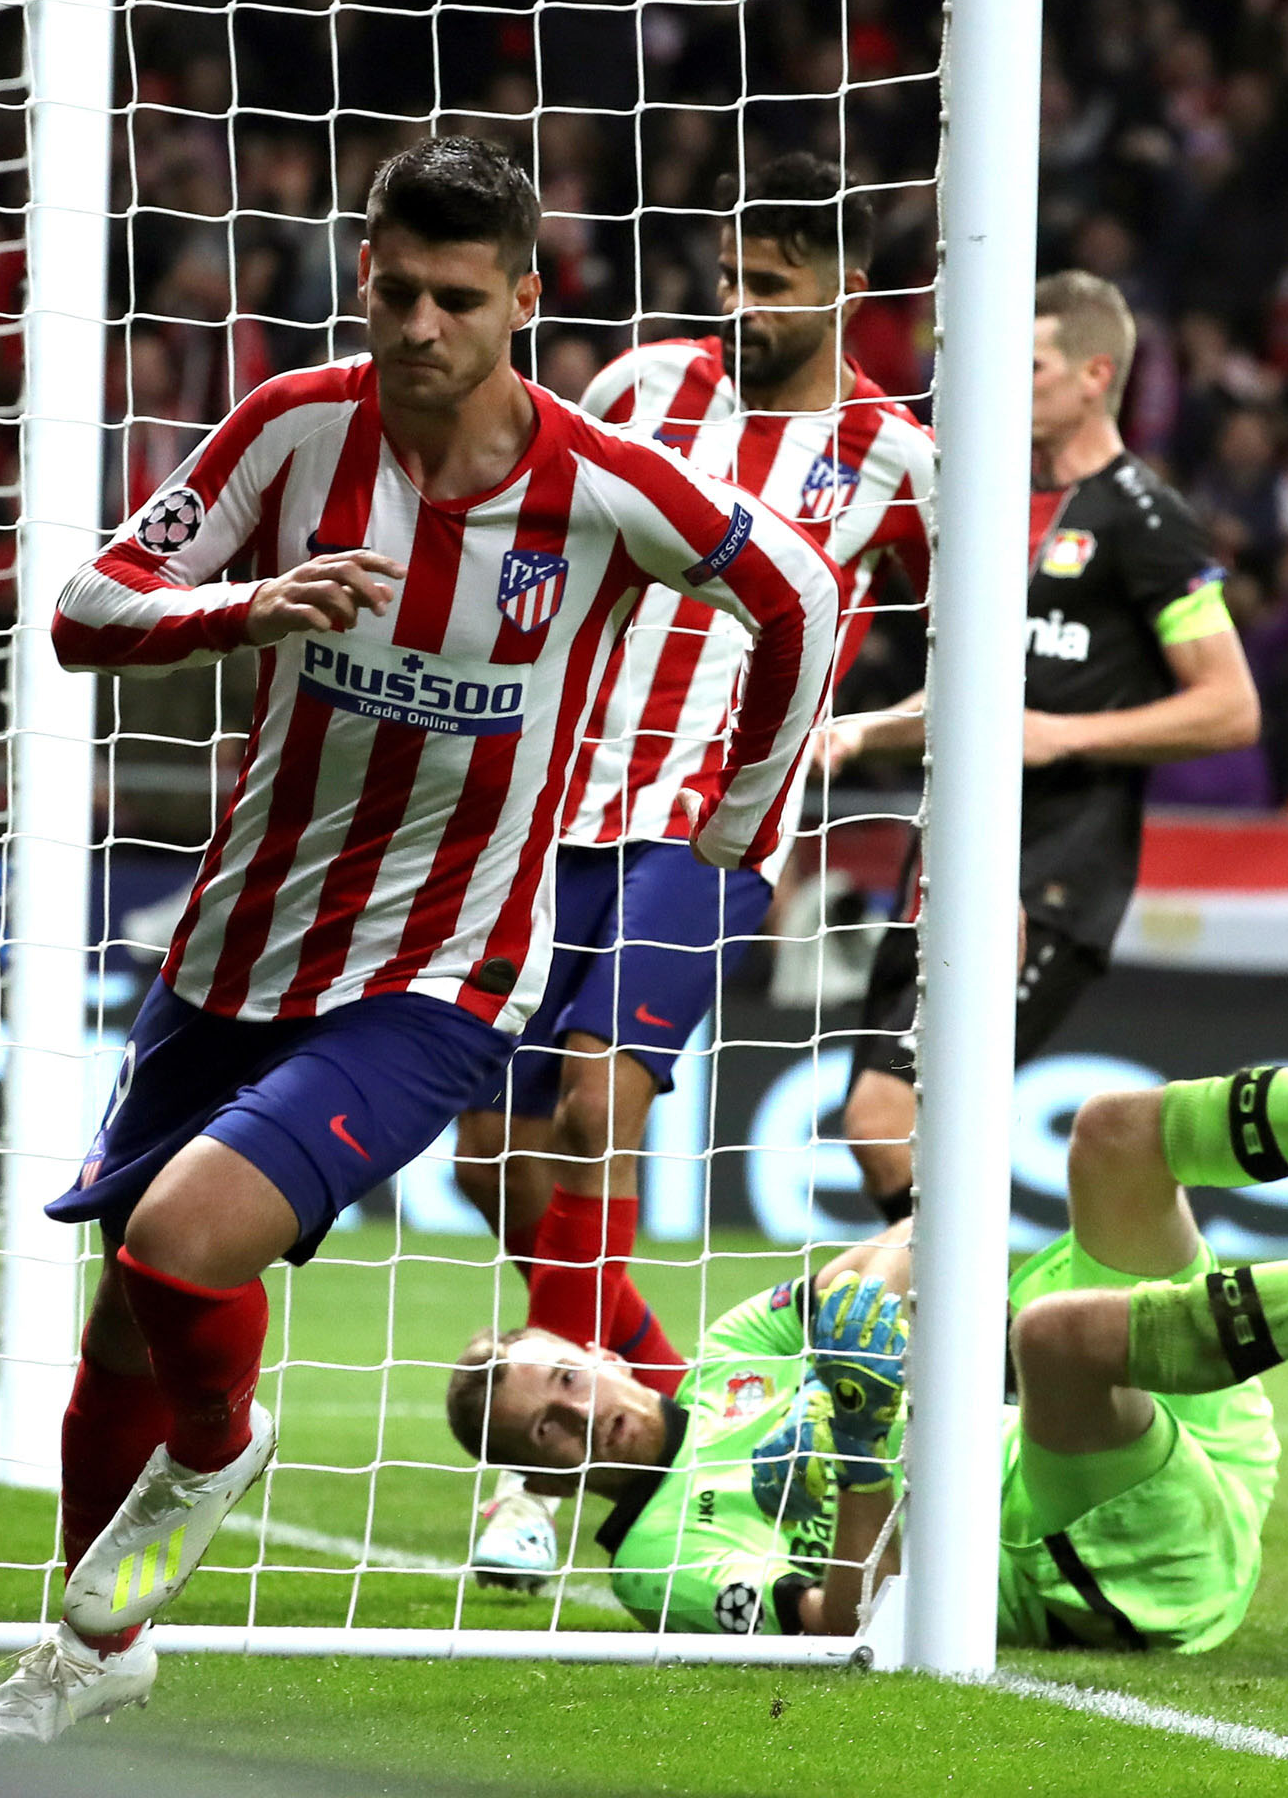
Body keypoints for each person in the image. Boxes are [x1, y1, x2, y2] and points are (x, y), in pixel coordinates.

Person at [0, 136, 841, 1745]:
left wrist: (741, 813)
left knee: (181, 1242)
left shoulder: (602, 484)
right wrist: (251, 607)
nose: (419, 327)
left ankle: (218, 1453)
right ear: (365, 276)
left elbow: (800, 597)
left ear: (523, 301)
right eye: (396, 292)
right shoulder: (293, 433)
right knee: (129, 1313)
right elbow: (85, 609)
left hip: (444, 972)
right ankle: (91, 1651)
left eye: (457, 300)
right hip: (238, 945)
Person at [446, 943, 1288, 1648]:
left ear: (587, 1351)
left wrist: (865, 1308)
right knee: (1054, 1334)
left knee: (1113, 1135)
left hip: (1174, 1427)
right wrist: (864, 1452)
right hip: (1096, 1556)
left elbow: (912, 1237)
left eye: (563, 1374)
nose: (577, 1408)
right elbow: (841, 1622)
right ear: (539, 1475)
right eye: (545, 1427)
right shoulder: (655, 1567)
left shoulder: (735, 1354)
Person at [447, 151, 939, 1592]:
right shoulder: (644, 388)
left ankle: (532, 1486)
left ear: (850, 287)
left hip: (717, 818)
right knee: (493, 1160)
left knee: (606, 1091)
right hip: (558, 800)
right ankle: (671, 1397)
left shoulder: (898, 456)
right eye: (732, 280)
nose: (742, 311)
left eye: (773, 288)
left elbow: (984, 632)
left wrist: (865, 728)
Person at [819, 271, 1263, 1224]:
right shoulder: (994, 510)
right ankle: (982, 1350)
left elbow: (1230, 707)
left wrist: (1064, 736)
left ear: (1095, 376)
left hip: (1051, 873)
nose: (1007, 384)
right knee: (872, 1118)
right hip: (941, 859)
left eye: (1030, 366)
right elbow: (981, 690)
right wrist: (864, 729)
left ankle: (985, 1355)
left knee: (894, 1113)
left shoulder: (1144, 520)